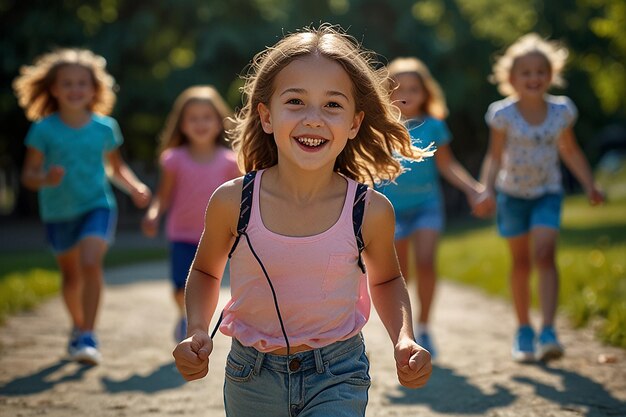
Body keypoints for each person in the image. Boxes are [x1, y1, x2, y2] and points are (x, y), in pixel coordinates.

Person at [172, 25, 433, 416]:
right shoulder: (232, 201)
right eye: (295, 101)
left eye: (332, 105)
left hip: (338, 372)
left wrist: (404, 339)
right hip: (251, 375)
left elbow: (387, 279)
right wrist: (196, 328)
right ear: (266, 116)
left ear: (354, 124)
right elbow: (207, 272)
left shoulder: (370, 210)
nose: (314, 118)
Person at [14, 48, 152, 365]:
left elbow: (115, 168)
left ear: (94, 89)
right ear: (53, 89)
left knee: (91, 262)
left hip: (96, 205)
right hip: (58, 211)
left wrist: (134, 188)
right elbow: (28, 176)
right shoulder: (43, 130)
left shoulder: (105, 128)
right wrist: (46, 177)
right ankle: (76, 326)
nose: (75, 89)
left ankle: (88, 334)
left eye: (82, 83)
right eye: (67, 83)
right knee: (71, 276)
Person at [480, 33, 604, 362]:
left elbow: (570, 150)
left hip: (548, 192)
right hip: (511, 196)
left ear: (551, 75)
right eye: (526, 72)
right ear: (511, 79)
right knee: (521, 263)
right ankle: (524, 329)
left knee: (546, 254)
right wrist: (485, 188)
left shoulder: (561, 111)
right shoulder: (502, 115)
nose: (534, 77)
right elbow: (494, 156)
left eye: (541, 71)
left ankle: (548, 329)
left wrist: (590, 184)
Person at [376, 57, 493, 359]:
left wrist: (472, 189)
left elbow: (448, 165)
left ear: (425, 92)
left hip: (427, 205)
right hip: (391, 210)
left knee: (426, 262)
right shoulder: (380, 129)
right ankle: (406, 331)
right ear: (385, 93)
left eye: (414, 88)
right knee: (400, 275)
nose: (407, 94)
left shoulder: (434, 126)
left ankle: (426, 325)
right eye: (399, 88)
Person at [142, 85, 240, 342]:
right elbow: (163, 196)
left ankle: (198, 323)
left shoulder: (230, 161)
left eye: (207, 117)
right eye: (193, 118)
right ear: (182, 125)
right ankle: (184, 314)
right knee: (178, 286)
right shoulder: (173, 159)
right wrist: (153, 214)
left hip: (217, 237)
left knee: (208, 281)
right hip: (182, 233)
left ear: (219, 123)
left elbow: (241, 198)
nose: (200, 123)